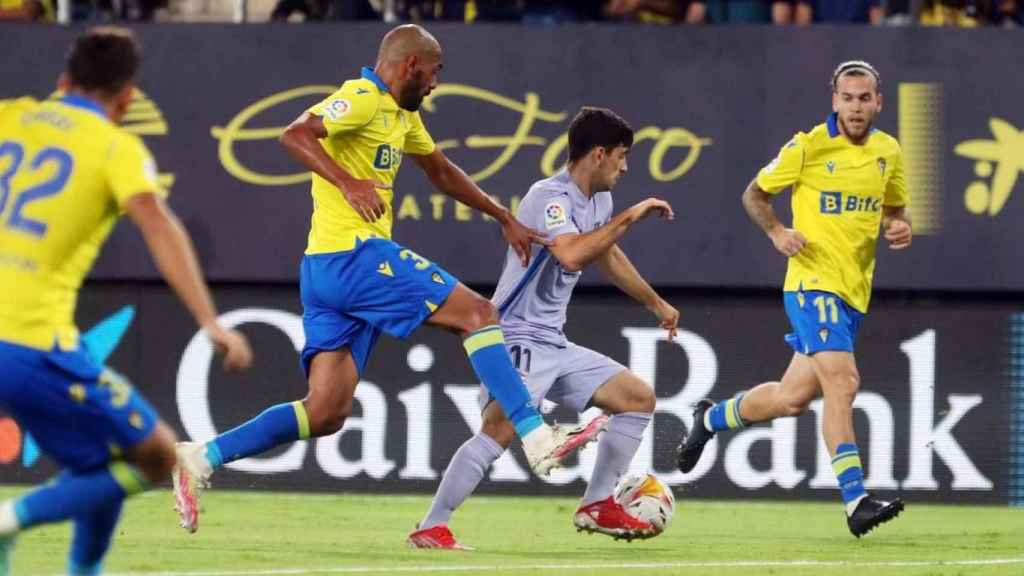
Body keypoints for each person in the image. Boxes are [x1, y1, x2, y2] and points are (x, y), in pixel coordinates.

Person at [171, 24, 603, 533]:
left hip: (326, 270)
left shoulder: (399, 116)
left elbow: (439, 169)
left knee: (327, 411)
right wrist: (348, 181)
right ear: (411, 65)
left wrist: (501, 215)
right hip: (355, 256)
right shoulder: (361, 97)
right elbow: (294, 135)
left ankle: (200, 456)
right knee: (479, 314)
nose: (437, 84)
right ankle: (535, 435)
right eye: (436, 72)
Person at [0, 27, 253, 574]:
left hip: (28, 347)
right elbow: (158, 225)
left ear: (61, 80)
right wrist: (211, 323)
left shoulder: (11, 115)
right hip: (28, 344)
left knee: (103, 470)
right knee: (158, 456)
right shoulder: (116, 147)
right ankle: (9, 520)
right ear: (128, 98)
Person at [408, 107, 679, 549]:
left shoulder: (599, 202)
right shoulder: (547, 197)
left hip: (553, 341)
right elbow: (572, 254)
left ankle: (596, 504)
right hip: (515, 337)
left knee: (636, 397)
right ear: (598, 154)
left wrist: (655, 303)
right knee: (498, 431)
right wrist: (634, 215)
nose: (625, 167)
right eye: (622, 156)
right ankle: (430, 526)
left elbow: (604, 254)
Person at [676, 60, 912, 538]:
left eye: (864, 98)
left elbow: (893, 206)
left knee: (791, 400)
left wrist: (896, 225)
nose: (856, 107)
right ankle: (855, 501)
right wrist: (778, 232)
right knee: (843, 383)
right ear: (834, 100)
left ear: (878, 102)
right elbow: (754, 195)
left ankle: (711, 417)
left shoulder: (889, 152)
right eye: (848, 98)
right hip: (811, 284)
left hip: (852, 292)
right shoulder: (807, 146)